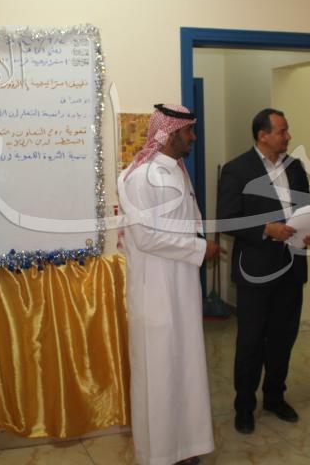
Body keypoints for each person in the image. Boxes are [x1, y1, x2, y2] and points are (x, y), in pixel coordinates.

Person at [116, 104, 224, 465]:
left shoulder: (177, 171)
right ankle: (159, 453)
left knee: (185, 370)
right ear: (171, 132)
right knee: (159, 375)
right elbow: (145, 238)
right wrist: (200, 249)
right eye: (189, 131)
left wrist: (198, 246)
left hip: (183, 292)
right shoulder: (140, 178)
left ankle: (185, 447)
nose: (193, 137)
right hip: (156, 294)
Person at [216, 108, 310, 435]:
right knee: (251, 342)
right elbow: (227, 219)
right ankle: (244, 407)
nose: (288, 136)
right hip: (256, 271)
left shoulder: (295, 167)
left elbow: (305, 208)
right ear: (263, 135)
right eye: (282, 131)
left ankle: (275, 397)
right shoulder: (237, 170)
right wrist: (266, 229)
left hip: (292, 269)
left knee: (282, 338)